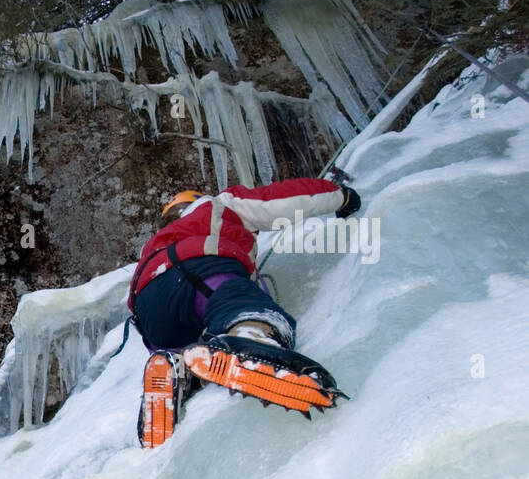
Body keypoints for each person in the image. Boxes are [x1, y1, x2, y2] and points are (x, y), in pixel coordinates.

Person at [129, 178, 361, 447]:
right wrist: (341, 197)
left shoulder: (155, 242)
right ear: (195, 200)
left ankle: (176, 373)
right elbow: (282, 201)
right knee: (239, 304)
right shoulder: (217, 204)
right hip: (194, 270)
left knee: (196, 349)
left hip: (146, 306)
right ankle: (252, 338)